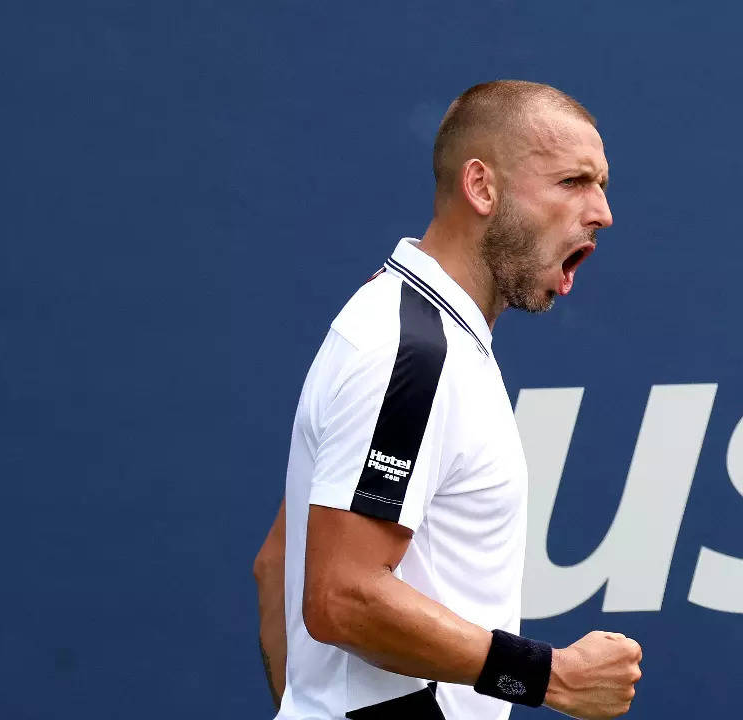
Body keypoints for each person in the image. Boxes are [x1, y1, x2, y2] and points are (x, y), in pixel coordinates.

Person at [252, 80, 641, 720]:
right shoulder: (412, 354)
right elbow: (339, 596)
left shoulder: (409, 329)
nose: (602, 211)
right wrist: (551, 677)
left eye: (601, 185)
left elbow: (279, 568)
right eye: (573, 182)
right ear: (482, 187)